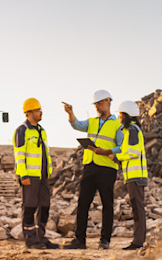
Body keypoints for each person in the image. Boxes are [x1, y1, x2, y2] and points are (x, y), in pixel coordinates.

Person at [62, 90, 123, 250]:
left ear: (108, 102)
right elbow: (76, 125)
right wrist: (71, 113)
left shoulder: (117, 124)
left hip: (107, 169)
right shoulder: (92, 121)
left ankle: (105, 241)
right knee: (83, 204)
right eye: (95, 104)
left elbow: (122, 146)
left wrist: (109, 152)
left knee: (107, 205)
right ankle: (79, 240)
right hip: (90, 167)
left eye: (100, 103)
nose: (97, 106)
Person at [13, 98, 59, 249]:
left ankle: (42, 238)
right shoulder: (22, 130)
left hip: (43, 176)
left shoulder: (41, 130)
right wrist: (23, 175)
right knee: (30, 206)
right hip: (30, 176)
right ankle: (31, 241)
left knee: (45, 206)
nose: (41, 112)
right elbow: (19, 154)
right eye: (38, 110)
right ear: (29, 112)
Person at [113, 100, 148, 250]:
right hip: (133, 177)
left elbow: (134, 153)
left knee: (137, 208)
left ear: (127, 115)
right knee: (136, 207)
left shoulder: (133, 130)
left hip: (136, 177)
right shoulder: (130, 131)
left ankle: (138, 242)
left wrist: (117, 157)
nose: (119, 118)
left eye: (121, 115)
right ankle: (138, 240)